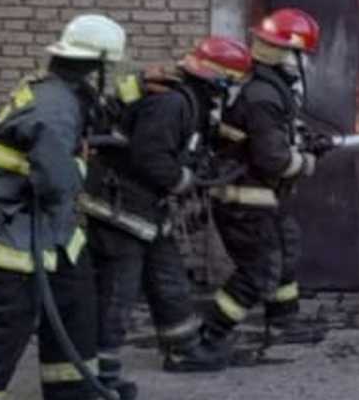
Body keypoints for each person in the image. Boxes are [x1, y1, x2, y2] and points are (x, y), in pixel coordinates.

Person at [0, 14, 126, 400]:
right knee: (9, 324)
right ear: (95, 65)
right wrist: (83, 167)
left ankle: (74, 392)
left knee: (75, 306)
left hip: (48, 226)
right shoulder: (55, 106)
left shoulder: (57, 91)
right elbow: (56, 183)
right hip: (13, 223)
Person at [82, 36, 252, 393]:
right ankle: (99, 371)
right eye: (231, 83)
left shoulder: (189, 100)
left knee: (168, 278)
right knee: (118, 292)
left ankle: (184, 349)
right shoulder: (172, 103)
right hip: (120, 210)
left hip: (146, 210)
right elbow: (150, 158)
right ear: (219, 80)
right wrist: (182, 180)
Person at [202, 8, 334, 353]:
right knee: (259, 271)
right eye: (301, 54)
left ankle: (283, 322)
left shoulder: (269, 88)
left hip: (263, 197)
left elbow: (273, 134)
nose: (305, 62)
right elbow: (273, 159)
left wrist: (305, 139)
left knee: (286, 251)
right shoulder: (263, 95)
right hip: (244, 201)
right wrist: (307, 161)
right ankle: (209, 336)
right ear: (284, 54)